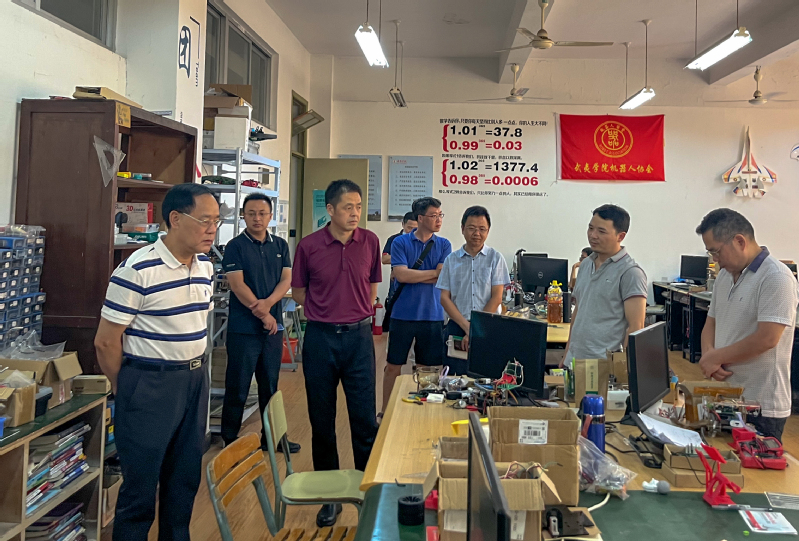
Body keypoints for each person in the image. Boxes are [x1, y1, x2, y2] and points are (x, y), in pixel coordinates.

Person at [94, 183, 219, 541]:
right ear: (175, 219)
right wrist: (125, 387)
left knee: (184, 482)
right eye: (205, 220)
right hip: (150, 384)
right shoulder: (138, 269)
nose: (212, 229)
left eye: (217, 221)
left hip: (194, 381)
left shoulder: (206, 267)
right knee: (141, 489)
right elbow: (106, 341)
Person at [291, 179, 381, 528]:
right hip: (320, 340)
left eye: (358, 207)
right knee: (322, 421)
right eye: (347, 207)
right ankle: (329, 497)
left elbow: (372, 286)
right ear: (330, 210)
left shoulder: (370, 241)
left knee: (364, 421)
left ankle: (367, 493)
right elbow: (299, 292)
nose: (355, 213)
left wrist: (356, 311)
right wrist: (327, 309)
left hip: (359, 340)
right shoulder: (309, 246)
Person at [696, 208, 798, 442]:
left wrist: (716, 357)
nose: (714, 259)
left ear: (739, 241)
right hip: (725, 397)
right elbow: (711, 321)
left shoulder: (776, 277)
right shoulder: (723, 276)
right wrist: (710, 355)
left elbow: (767, 338)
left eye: (716, 251)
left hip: (760, 406)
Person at [220, 193, 300, 454]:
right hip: (244, 329)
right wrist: (264, 313)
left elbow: (286, 279)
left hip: (272, 330)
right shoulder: (235, 246)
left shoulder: (280, 245)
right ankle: (230, 442)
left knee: (271, 386)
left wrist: (269, 305)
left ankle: (273, 439)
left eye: (262, 213)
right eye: (251, 213)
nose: (257, 218)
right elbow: (237, 285)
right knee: (238, 387)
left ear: (270, 216)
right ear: (243, 215)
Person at [382, 197, 452, 412]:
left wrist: (414, 275)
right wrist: (432, 274)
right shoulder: (400, 242)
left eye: (440, 215)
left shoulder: (444, 244)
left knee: (426, 369)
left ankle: (421, 412)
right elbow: (402, 275)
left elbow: (443, 277)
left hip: (432, 315)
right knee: (393, 366)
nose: (439, 220)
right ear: (420, 218)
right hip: (402, 314)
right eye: (434, 215)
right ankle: (386, 411)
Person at [562, 204, 647, 368]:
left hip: (602, 366)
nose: (592, 235)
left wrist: (625, 370)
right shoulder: (586, 264)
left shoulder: (630, 273)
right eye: (590, 228)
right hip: (573, 361)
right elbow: (578, 310)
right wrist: (567, 353)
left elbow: (636, 327)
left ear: (620, 236)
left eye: (601, 231)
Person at [437, 206, 509, 375]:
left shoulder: (495, 258)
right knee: (454, 378)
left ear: (488, 231)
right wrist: (467, 327)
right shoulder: (451, 260)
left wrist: (475, 328)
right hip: (457, 326)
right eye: (471, 228)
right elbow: (444, 298)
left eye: (482, 229)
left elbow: (496, 297)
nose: (477, 233)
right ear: (462, 229)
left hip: (487, 327)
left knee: (487, 378)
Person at [382, 211, 418, 302]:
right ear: (403, 224)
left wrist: (398, 257)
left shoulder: (422, 241)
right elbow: (384, 259)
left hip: (416, 281)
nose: (412, 231)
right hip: (396, 281)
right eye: (409, 228)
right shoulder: (393, 239)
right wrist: (406, 256)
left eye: (415, 228)